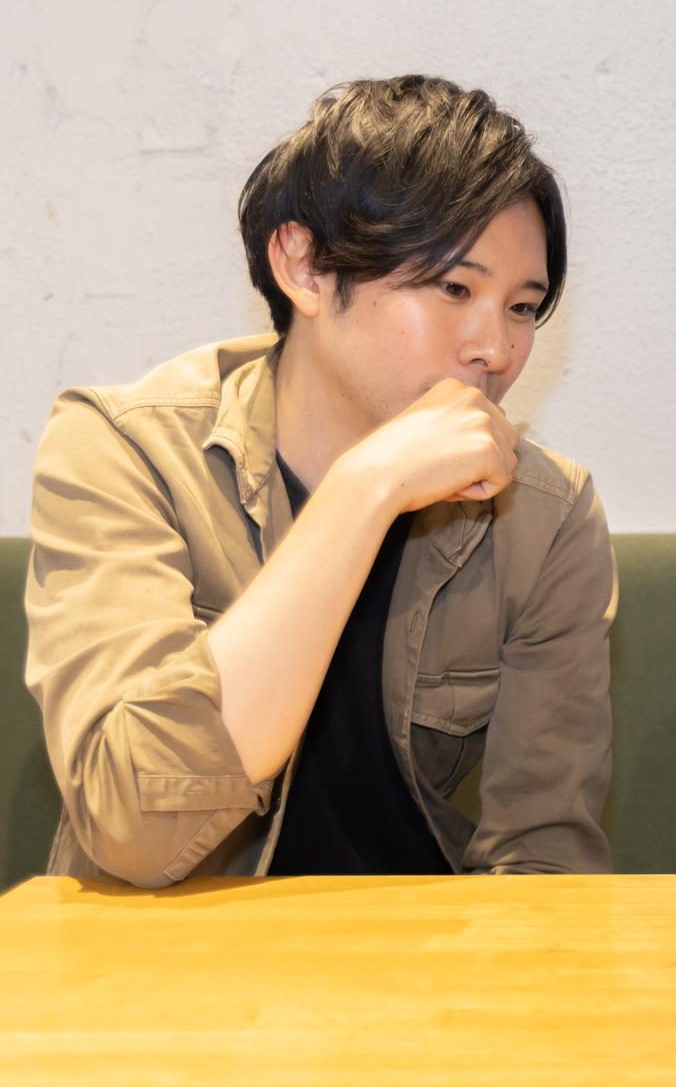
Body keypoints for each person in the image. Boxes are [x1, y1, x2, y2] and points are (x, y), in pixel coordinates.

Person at [24, 76, 616, 886]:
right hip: (167, 950)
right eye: (454, 288)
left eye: (521, 307)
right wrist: (363, 490)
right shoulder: (125, 448)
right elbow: (135, 830)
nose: (496, 349)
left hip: (416, 948)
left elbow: (547, 862)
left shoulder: (545, 517)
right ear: (303, 266)